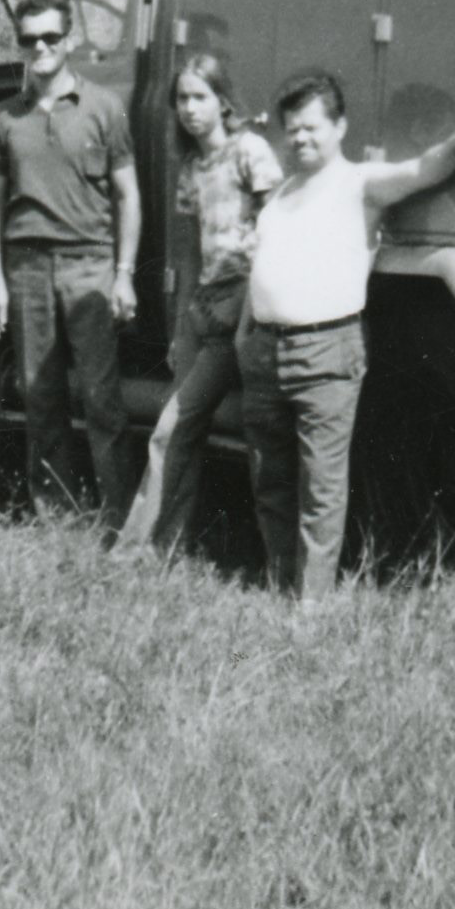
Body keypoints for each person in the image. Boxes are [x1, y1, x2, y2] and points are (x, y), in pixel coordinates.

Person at [236, 71, 455, 604]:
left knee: (320, 486)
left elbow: (423, 169)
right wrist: (245, 336)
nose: (300, 138)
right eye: (291, 129)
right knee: (270, 479)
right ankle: (280, 582)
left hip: (324, 352)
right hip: (265, 353)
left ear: (340, 127)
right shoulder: (282, 194)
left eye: (311, 127)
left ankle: (311, 606)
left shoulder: (359, 185)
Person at [0, 0, 141, 527]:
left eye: (51, 37)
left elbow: (128, 195)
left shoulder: (103, 107)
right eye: (29, 39)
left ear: (69, 40)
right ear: (19, 45)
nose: (41, 47)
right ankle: (56, 514)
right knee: (39, 395)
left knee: (101, 397)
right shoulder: (6, 117)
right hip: (27, 267)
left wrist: (124, 274)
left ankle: (118, 517)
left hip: (89, 264)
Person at [118, 55, 282, 554]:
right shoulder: (191, 167)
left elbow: (277, 236)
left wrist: (244, 311)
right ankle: (165, 543)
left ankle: (138, 549)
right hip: (204, 311)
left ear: (223, 101)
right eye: (181, 99)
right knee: (175, 431)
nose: (189, 109)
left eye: (199, 97)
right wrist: (181, 325)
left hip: (245, 308)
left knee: (175, 428)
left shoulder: (250, 151)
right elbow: (190, 253)